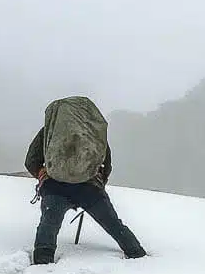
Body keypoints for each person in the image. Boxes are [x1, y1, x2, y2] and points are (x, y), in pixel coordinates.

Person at [24, 97, 146, 264]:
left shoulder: (50, 130)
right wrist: (98, 183)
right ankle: (138, 255)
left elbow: (31, 161)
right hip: (90, 189)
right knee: (114, 225)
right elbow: (106, 164)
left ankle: (42, 263)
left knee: (48, 226)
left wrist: (42, 173)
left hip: (54, 187)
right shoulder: (92, 133)